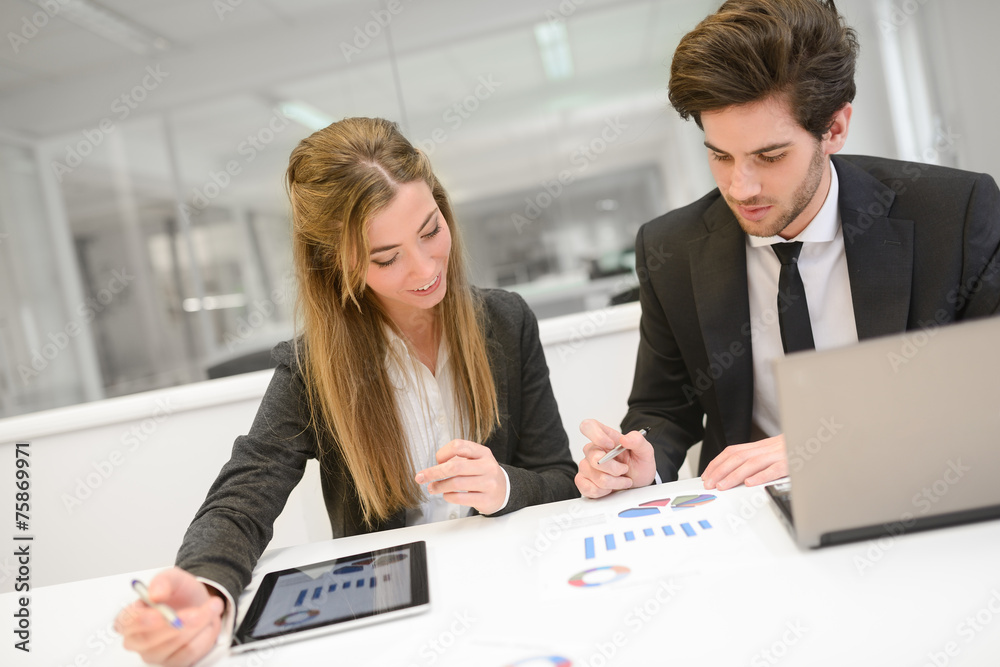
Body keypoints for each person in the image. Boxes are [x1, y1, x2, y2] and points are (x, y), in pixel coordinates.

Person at [116, 117, 579, 666]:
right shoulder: (314, 368)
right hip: (395, 625)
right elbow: (242, 498)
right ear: (338, 263)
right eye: (386, 257)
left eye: (430, 230)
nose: (426, 267)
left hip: (511, 592)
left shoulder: (506, 321)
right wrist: (207, 585)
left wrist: (502, 486)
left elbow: (560, 478)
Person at [576, 0, 1000, 499]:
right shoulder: (672, 246)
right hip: (750, 515)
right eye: (720, 155)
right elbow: (665, 407)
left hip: (922, 487)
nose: (740, 187)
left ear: (834, 129)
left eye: (770, 155)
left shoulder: (952, 213)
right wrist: (639, 462)